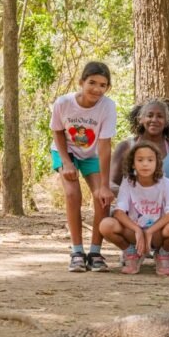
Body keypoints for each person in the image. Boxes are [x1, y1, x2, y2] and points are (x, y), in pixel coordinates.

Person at [50, 61, 117, 273]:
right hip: (65, 151)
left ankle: (95, 252)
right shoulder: (63, 103)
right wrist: (67, 162)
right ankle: (77, 252)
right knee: (72, 194)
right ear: (81, 82)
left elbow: (105, 145)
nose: (97, 89)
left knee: (102, 197)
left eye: (103, 85)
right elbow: (58, 131)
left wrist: (105, 185)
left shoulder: (107, 106)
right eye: (92, 83)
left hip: (92, 153)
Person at [100, 142, 169, 276]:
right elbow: (119, 212)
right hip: (134, 234)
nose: (145, 164)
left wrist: (150, 231)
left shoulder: (165, 183)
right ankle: (131, 253)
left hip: (157, 234)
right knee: (106, 225)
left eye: (150, 160)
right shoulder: (128, 182)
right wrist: (137, 230)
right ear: (133, 164)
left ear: (157, 163)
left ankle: (163, 254)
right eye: (140, 160)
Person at [109, 98, 169, 193]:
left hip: (163, 206)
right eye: (149, 115)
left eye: (160, 116)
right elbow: (111, 183)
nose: (154, 120)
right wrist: (131, 195)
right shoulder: (125, 147)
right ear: (140, 119)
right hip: (129, 206)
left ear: (167, 121)